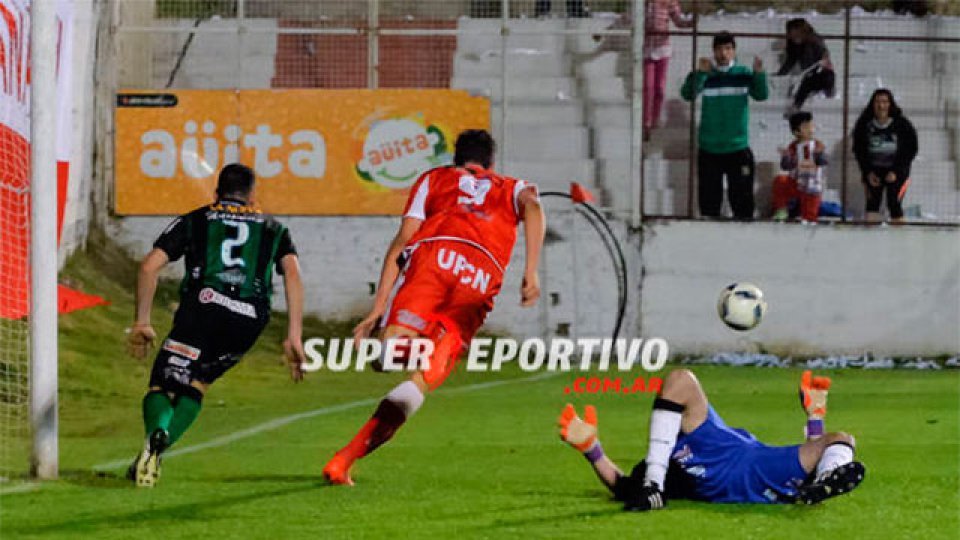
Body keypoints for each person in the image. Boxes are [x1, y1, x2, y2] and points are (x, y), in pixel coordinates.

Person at [322, 129, 545, 486]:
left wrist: (377, 307)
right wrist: (530, 270)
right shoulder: (513, 185)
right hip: (478, 274)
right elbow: (533, 207)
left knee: (390, 354)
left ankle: (392, 346)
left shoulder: (434, 178)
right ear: (491, 162)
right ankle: (343, 461)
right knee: (422, 381)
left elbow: (404, 240)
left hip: (434, 257)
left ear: (456, 159)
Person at [125, 163, 307, 487]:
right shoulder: (274, 228)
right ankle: (154, 453)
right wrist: (293, 335)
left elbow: (149, 266)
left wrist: (142, 321)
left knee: (164, 387)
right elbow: (293, 273)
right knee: (198, 384)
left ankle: (156, 435)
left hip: (202, 308)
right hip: (249, 319)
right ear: (252, 197)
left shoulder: (196, 219)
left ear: (216, 194)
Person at [558, 369, 865, 510]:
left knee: (838, 439)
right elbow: (624, 486)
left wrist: (814, 416)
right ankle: (823, 478)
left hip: (762, 462)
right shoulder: (669, 463)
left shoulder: (700, 428)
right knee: (840, 439)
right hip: (747, 471)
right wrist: (591, 450)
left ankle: (823, 482)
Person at [681, 31, 768, 220]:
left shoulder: (743, 74)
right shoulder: (706, 74)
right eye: (719, 49)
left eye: (728, 48)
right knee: (709, 203)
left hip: (737, 147)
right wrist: (701, 74)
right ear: (713, 51)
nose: (723, 53)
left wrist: (759, 74)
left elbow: (761, 95)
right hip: (710, 149)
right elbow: (687, 94)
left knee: (742, 200)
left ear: (734, 51)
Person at [852, 88, 919, 223]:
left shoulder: (902, 124)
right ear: (872, 104)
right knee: (872, 203)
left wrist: (896, 171)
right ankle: (870, 238)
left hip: (896, 171)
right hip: (873, 170)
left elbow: (911, 149)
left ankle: (898, 237)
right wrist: (868, 172)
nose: (881, 106)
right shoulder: (864, 124)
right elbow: (859, 150)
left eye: (884, 102)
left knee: (894, 202)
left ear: (890, 104)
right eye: (877, 102)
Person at [643, 0, 694, 140]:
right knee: (648, 87)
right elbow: (628, 18)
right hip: (647, 49)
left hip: (662, 48)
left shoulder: (668, 1)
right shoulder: (643, 3)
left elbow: (678, 20)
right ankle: (646, 122)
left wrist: (691, 22)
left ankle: (655, 119)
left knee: (659, 87)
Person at [773, 111, 828, 223]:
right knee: (780, 181)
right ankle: (781, 210)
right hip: (796, 183)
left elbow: (823, 161)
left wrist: (819, 154)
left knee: (809, 217)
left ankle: (808, 225)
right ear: (796, 131)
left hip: (812, 185)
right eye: (806, 126)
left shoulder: (818, 145)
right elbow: (786, 167)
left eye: (811, 125)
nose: (810, 129)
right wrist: (786, 156)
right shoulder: (793, 147)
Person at [775, 18, 835, 115]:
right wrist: (780, 75)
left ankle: (828, 93)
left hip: (823, 73)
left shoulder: (815, 41)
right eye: (792, 34)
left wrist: (823, 61)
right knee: (805, 83)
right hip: (809, 74)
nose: (794, 37)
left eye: (797, 34)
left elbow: (824, 55)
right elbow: (791, 60)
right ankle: (795, 107)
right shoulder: (793, 44)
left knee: (813, 81)